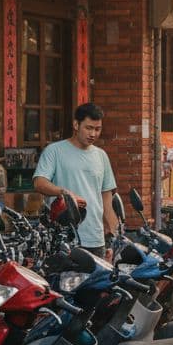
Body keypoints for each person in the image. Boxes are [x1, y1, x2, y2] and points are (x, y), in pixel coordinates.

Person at [33, 103, 119, 256]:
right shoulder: (54, 151)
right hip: (62, 239)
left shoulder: (101, 156)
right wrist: (63, 192)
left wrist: (111, 238)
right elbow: (39, 182)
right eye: (88, 128)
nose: (93, 134)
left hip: (95, 238)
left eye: (97, 129)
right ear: (76, 125)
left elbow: (106, 200)